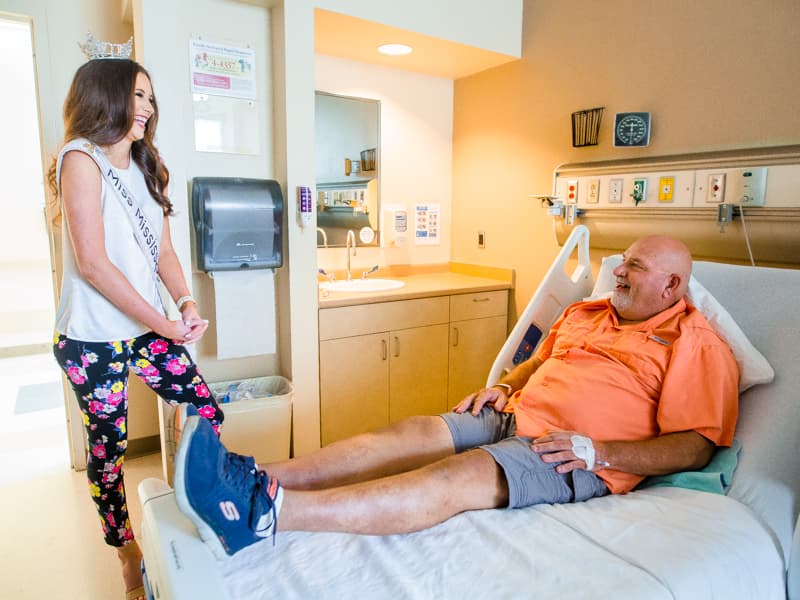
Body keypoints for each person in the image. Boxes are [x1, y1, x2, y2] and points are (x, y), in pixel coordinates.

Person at [174, 235, 739, 561]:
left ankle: (266, 513)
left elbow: (693, 447)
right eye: (621, 262)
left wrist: (602, 453)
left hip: (572, 451)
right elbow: (537, 364)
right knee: (408, 433)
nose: (617, 271)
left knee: (457, 476)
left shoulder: (694, 342)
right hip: (514, 412)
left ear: (672, 286)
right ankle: (251, 473)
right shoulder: (587, 312)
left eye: (633, 267)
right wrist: (505, 386)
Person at [48, 57, 224, 599]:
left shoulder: (148, 164)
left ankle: (194, 510)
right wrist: (164, 325)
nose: (147, 107)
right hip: (91, 340)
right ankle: (127, 553)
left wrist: (186, 302)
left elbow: (163, 251)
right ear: (105, 96)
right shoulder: (80, 159)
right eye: (137, 94)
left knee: (205, 410)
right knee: (109, 451)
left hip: (149, 330)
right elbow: (95, 264)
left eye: (150, 97)